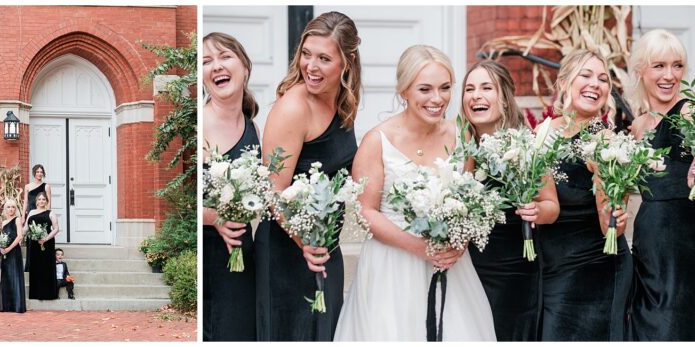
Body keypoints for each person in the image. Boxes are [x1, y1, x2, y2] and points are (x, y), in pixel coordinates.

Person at [334, 45, 496, 341]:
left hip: (450, 266)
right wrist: (418, 247)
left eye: (445, 88)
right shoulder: (377, 141)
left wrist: (459, 245)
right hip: (392, 266)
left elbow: (472, 200)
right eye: (425, 89)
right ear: (404, 91)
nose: (437, 99)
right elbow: (366, 212)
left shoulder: (462, 134)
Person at [256, 11, 361, 341]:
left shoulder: (343, 102)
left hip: (325, 249)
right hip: (289, 254)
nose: (311, 67)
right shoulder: (294, 107)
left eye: (324, 58)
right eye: (306, 54)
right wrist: (306, 243)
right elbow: (273, 191)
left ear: (347, 62)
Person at [460, 60, 560, 340]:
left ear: (504, 98)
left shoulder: (525, 144)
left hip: (514, 270)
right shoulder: (457, 145)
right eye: (469, 89)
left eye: (486, 88)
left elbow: (551, 206)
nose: (476, 95)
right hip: (466, 267)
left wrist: (536, 210)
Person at [541, 49, 631, 341]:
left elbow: (610, 226)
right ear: (565, 82)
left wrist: (615, 210)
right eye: (586, 75)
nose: (596, 83)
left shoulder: (604, 140)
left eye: (603, 79)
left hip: (596, 267)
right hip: (552, 266)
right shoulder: (543, 133)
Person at [625, 29, 695, 341]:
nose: (669, 75)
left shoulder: (694, 113)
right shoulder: (638, 126)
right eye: (659, 66)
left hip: (686, 240)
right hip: (647, 242)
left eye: (677, 66)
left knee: (676, 325)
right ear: (641, 70)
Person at [201, 31, 260, 342]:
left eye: (224, 57)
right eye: (206, 62)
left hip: (242, 252)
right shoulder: (201, 125)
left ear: (245, 68)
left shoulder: (253, 127)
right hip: (209, 255)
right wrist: (216, 218)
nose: (216, 66)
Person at [26, 192, 60, 300]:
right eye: (39, 199)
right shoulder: (31, 212)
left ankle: (48, 293)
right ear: (36, 201)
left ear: (46, 201)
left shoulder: (51, 213)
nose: (41, 201)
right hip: (34, 244)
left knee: (46, 267)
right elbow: (26, 228)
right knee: (35, 267)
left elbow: (56, 229)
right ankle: (36, 293)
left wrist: (45, 238)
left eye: (43, 199)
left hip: (47, 244)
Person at [0, 199, 27, 313]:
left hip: (14, 252)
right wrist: (1, 247)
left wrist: (9, 249)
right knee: (6, 277)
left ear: (16, 209)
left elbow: (20, 236)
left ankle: (17, 305)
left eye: (13, 207)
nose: (11, 209)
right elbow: (1, 237)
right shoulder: (4, 222)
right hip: (4, 252)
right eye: (8, 207)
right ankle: (7, 305)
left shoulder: (17, 220)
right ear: (5, 209)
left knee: (15, 276)